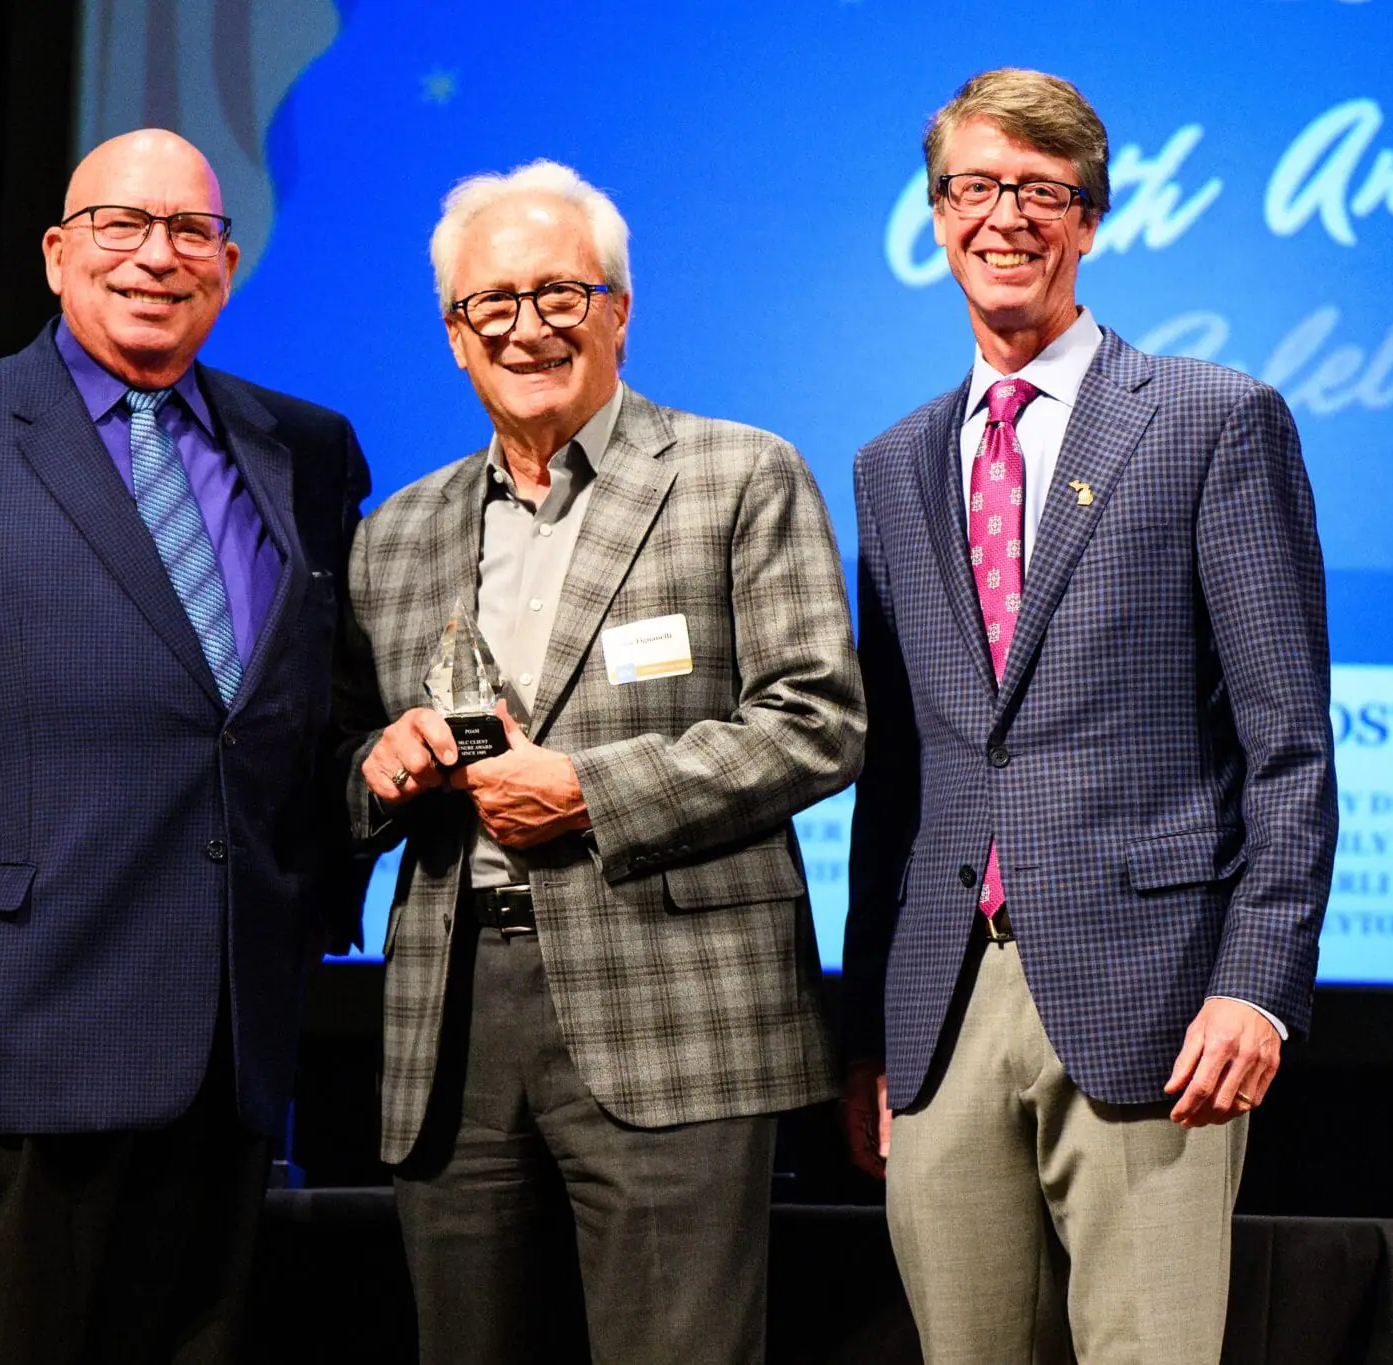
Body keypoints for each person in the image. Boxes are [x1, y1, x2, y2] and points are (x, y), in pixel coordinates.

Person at [0, 128, 368, 1363]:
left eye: (188, 232)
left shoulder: (304, 450)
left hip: (227, 1066)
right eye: (119, 225)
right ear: (56, 253)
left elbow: (297, 723)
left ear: (229, 259)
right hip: (4, 1053)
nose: (155, 256)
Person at [842, 69, 1337, 1363]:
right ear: (937, 215)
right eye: (975, 188)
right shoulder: (891, 465)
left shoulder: (1212, 421)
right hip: (944, 1009)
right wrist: (866, 1033)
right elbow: (893, 776)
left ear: (1090, 218)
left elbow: (1288, 744)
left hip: (1160, 1003)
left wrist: (1259, 984)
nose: (1005, 216)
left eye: (1040, 191)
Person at [334, 160, 864, 1364]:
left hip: (672, 1012)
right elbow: (330, 764)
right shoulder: (395, 533)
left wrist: (590, 792)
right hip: (452, 1021)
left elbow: (818, 718)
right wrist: (380, 764)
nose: (527, 327)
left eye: (558, 294)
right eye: (492, 305)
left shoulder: (737, 475)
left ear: (618, 310)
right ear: (454, 337)